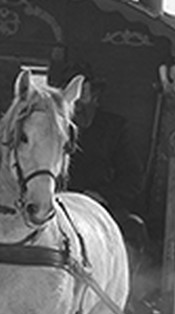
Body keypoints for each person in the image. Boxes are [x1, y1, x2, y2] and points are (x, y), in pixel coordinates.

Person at [61, 63, 145, 222]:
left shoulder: (114, 128)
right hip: (59, 206)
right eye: (71, 96)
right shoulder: (53, 127)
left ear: (95, 97)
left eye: (82, 95)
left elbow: (133, 178)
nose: (76, 105)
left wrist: (102, 195)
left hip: (101, 211)